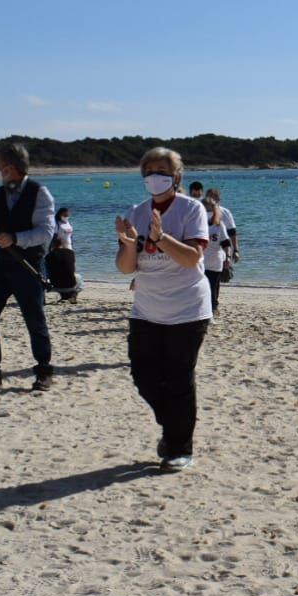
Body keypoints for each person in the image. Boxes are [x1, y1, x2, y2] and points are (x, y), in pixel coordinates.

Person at [115, 147, 211, 472]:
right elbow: (126, 268)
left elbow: (192, 258)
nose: (154, 176)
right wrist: (129, 245)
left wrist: (161, 237)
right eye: (149, 170)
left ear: (176, 176)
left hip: (187, 308)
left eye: (162, 170)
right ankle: (173, 427)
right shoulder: (136, 212)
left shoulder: (191, 209)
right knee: (143, 375)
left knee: (179, 377)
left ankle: (178, 447)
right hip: (146, 308)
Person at [0, 144, 57, 392]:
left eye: (2, 166)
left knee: (34, 319)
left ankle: (44, 371)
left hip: (29, 264)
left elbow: (46, 232)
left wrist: (16, 238)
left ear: (11, 168)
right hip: (2, 265)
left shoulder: (40, 193)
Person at [46, 207, 82, 301]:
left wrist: (72, 246)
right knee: (58, 268)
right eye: (65, 215)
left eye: (68, 214)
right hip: (58, 247)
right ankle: (66, 292)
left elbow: (71, 237)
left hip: (69, 248)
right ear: (60, 214)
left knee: (70, 269)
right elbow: (54, 237)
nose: (67, 216)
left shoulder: (68, 223)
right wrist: (52, 249)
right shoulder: (57, 224)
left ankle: (67, 294)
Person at [201, 196, 229, 315]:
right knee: (202, 287)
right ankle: (205, 309)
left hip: (215, 263)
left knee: (213, 286)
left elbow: (225, 243)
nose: (207, 212)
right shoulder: (197, 224)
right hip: (200, 262)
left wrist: (227, 257)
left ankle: (213, 308)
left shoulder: (219, 225)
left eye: (209, 209)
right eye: (205, 209)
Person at [205, 187, 239, 265]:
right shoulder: (199, 211)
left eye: (212, 198)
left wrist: (236, 251)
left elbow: (232, 232)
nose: (210, 200)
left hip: (221, 254)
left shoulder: (225, 212)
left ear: (218, 200)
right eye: (208, 197)